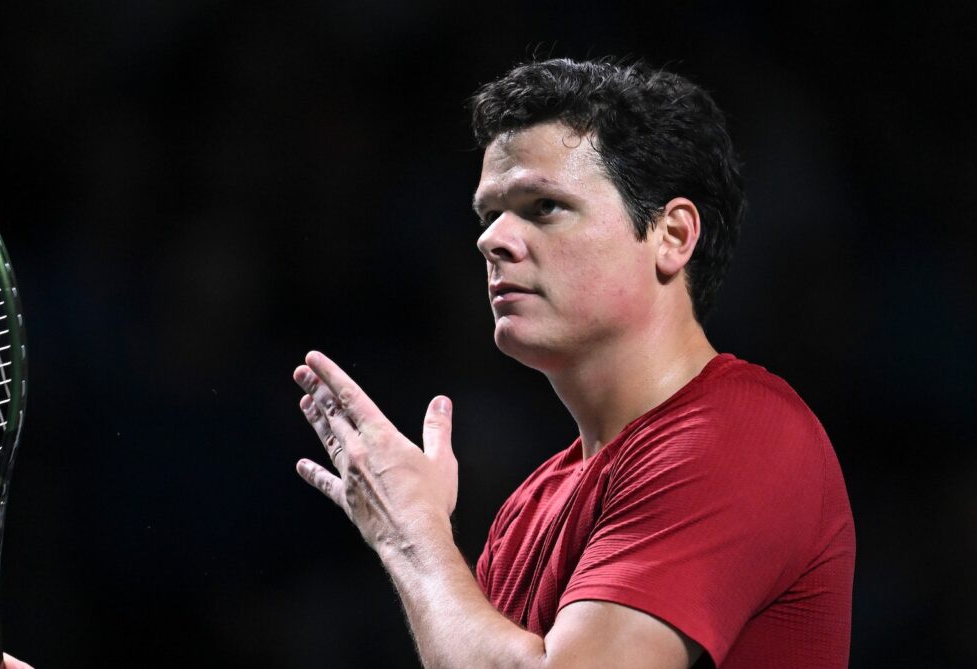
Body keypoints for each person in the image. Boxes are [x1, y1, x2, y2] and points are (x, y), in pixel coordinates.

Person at [293, 58, 854, 668]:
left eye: (543, 207)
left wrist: (413, 538)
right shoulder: (529, 507)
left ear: (672, 236)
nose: (492, 239)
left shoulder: (741, 433)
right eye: (489, 215)